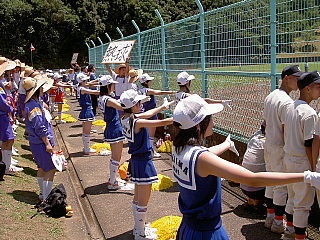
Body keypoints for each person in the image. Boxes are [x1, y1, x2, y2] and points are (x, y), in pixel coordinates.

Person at [171, 94, 320, 240]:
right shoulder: (202, 159)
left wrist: (226, 144)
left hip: (188, 228)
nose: (212, 122)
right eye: (209, 118)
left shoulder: (179, 148)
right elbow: (253, 179)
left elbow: (205, 154)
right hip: (206, 232)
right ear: (199, 125)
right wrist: (306, 176)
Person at [120, 89, 174, 240]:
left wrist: (162, 108)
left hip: (136, 161)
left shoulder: (126, 118)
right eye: (138, 103)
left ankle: (139, 227)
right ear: (133, 106)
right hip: (143, 162)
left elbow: (148, 114)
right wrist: (181, 118)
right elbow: (161, 122)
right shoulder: (137, 121)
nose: (141, 105)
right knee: (143, 200)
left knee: (137, 198)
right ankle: (140, 232)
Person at [263, 65, 303, 233]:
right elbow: (287, 130)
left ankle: (270, 217)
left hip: (269, 143)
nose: (299, 81)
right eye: (296, 77)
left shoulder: (271, 95)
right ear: (287, 77)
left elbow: (264, 123)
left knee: (270, 182)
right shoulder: (287, 102)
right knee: (280, 186)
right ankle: (278, 223)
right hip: (280, 146)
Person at [283, 71, 320, 240]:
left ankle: (289, 232)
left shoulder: (291, 106)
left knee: (292, 198)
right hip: (301, 160)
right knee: (303, 205)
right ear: (307, 89)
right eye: (318, 87)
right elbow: (309, 144)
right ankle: (299, 237)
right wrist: (313, 166)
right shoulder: (309, 113)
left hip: (288, 157)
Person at [23, 77, 55, 201]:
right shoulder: (34, 107)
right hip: (40, 142)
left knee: (41, 168)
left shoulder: (33, 104)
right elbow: (40, 127)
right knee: (50, 168)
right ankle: (46, 197)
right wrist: (47, 143)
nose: (43, 89)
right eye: (40, 87)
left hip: (36, 142)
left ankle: (43, 193)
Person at [97, 75, 126, 190]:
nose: (114, 85)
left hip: (110, 127)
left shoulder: (102, 97)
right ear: (108, 85)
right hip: (115, 127)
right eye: (112, 84)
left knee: (115, 156)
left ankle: (113, 178)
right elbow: (123, 107)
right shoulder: (108, 99)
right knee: (116, 156)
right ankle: (112, 182)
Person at [138, 73, 176, 158]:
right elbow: (159, 92)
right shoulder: (147, 90)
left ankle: (149, 150)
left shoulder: (140, 90)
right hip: (151, 113)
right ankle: (150, 151)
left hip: (145, 113)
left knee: (147, 133)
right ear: (146, 82)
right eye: (150, 80)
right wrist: (173, 92)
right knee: (151, 135)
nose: (151, 82)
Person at [0, 58, 23, 174]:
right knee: (8, 139)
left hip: (3, 113)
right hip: (2, 114)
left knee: (7, 139)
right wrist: (10, 108)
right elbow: (2, 103)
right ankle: (6, 166)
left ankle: (6, 163)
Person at [240, 122, 266, 211]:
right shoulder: (270, 142)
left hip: (243, 186)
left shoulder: (255, 136)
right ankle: (258, 203)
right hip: (257, 190)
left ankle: (251, 200)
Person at [77, 73, 100, 154]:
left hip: (85, 109)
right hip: (87, 110)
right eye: (85, 80)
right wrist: (104, 91)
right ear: (82, 81)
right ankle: (87, 148)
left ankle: (86, 147)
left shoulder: (80, 87)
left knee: (85, 130)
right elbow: (95, 92)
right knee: (87, 131)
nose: (87, 81)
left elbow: (91, 84)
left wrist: (98, 81)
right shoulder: (82, 89)